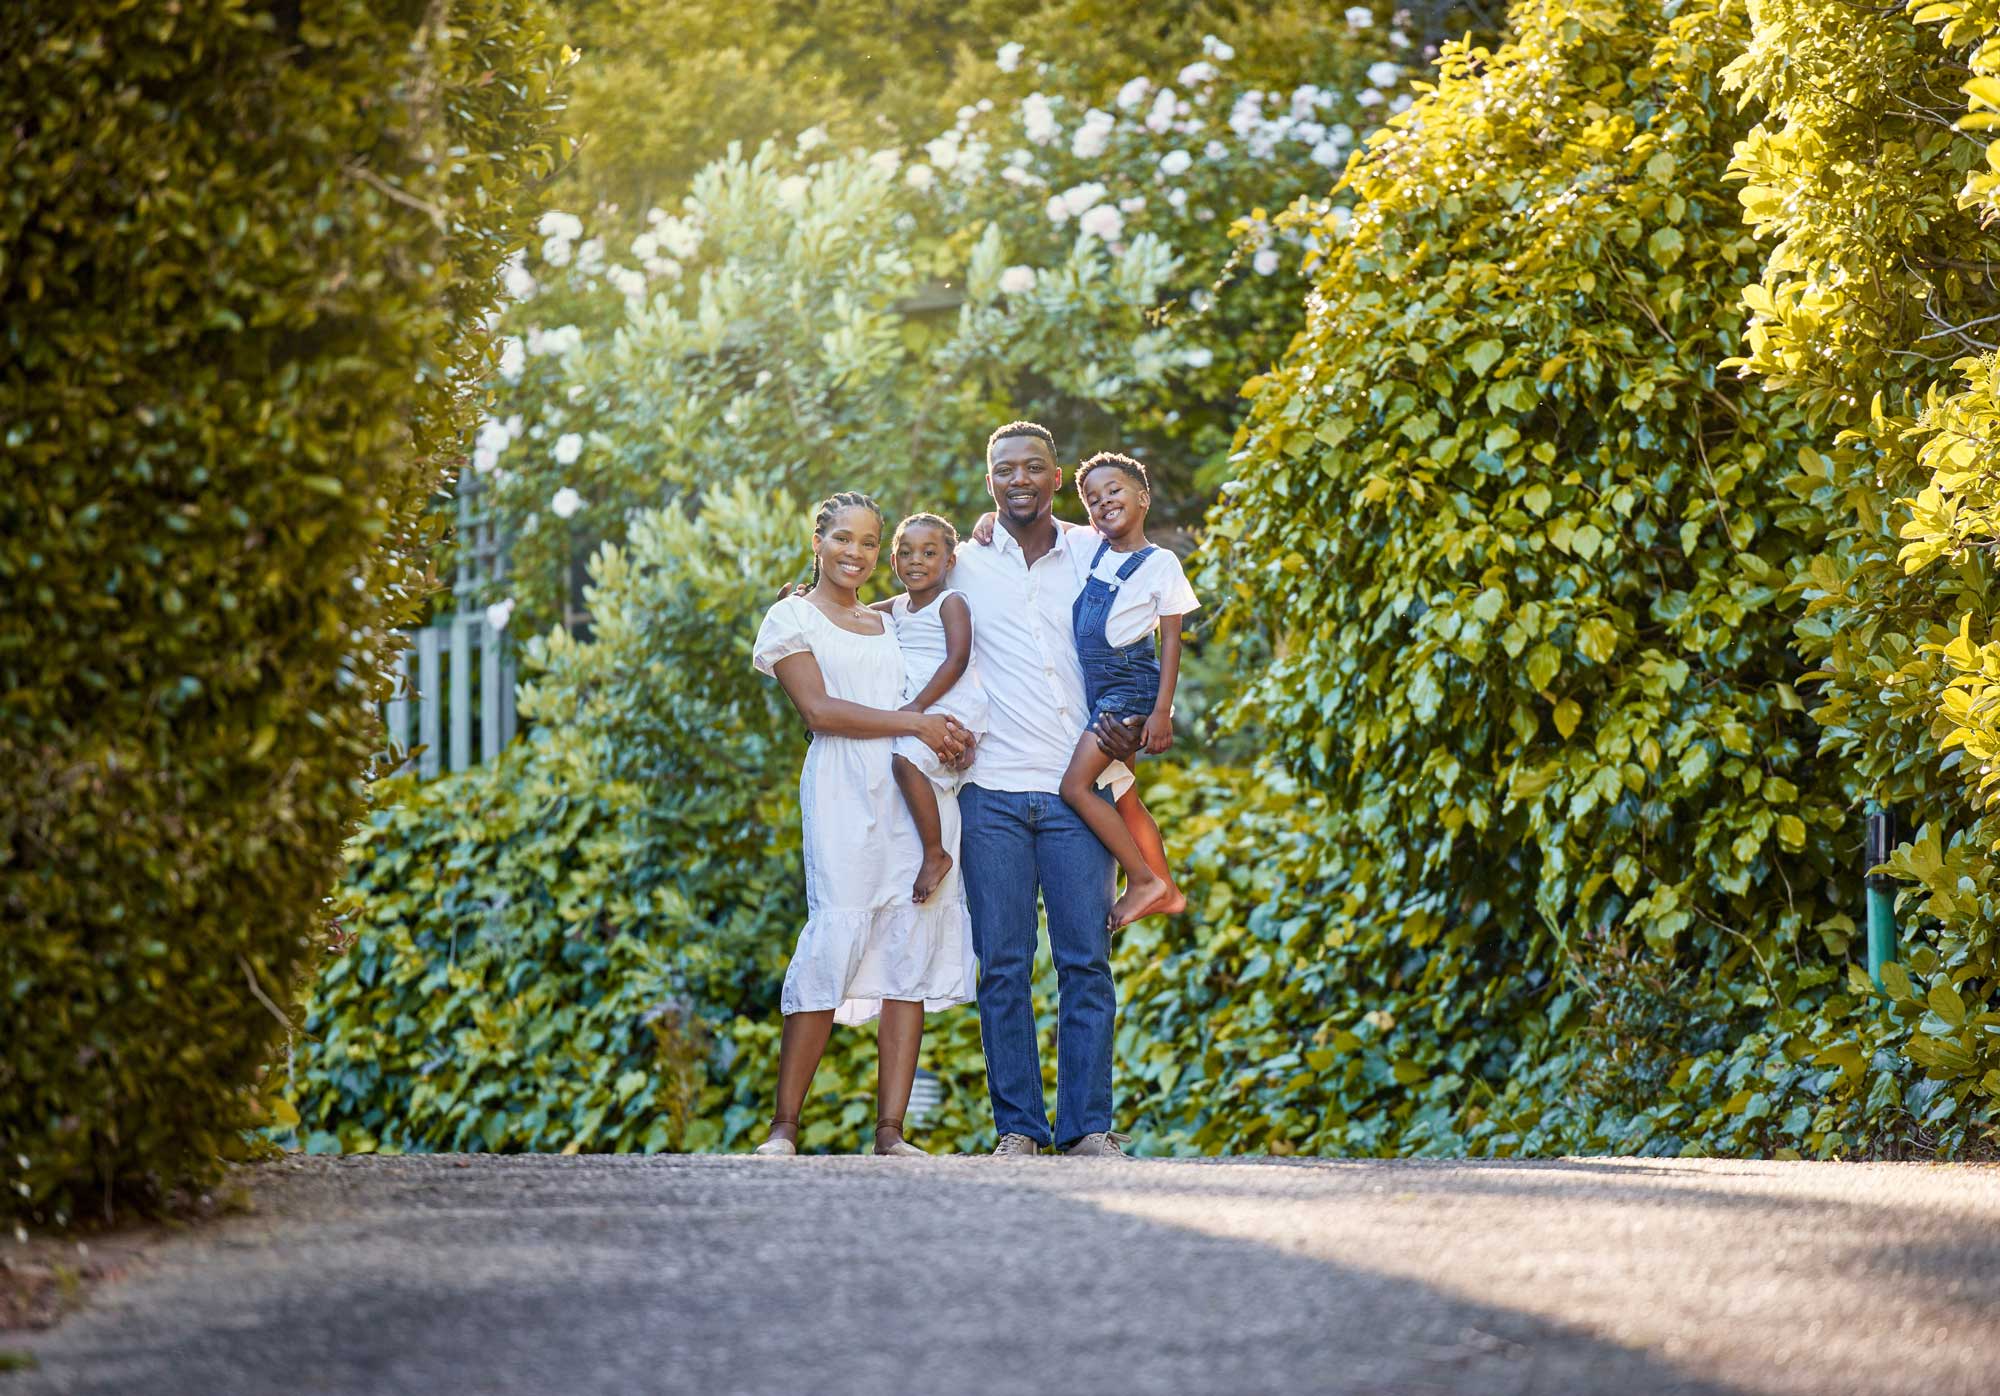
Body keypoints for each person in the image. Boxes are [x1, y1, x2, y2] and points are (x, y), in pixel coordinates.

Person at [748, 491, 978, 1158]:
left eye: (869, 543)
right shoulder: (791, 617)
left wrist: (946, 737)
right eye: (843, 539)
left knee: (909, 947)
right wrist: (917, 724)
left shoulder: (888, 620)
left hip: (915, 794)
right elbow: (819, 711)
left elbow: (935, 650)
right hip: (845, 789)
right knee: (834, 935)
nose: (857, 553)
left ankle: (890, 1134)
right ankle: (783, 1128)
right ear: (817, 540)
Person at [951, 421, 1147, 1159]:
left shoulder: (1096, 553)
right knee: (1002, 966)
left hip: (1076, 789)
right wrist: (815, 609)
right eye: (1007, 470)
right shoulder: (963, 563)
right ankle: (1019, 1131)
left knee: (1084, 963)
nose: (1020, 480)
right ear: (990, 481)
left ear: (1058, 477)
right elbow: (901, 618)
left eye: (1035, 467)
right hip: (991, 792)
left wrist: (1136, 715)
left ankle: (1088, 1128)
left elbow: (1145, 625)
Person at [1054, 452, 1198, 929]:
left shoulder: (1160, 563)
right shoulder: (1088, 547)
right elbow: (1040, 522)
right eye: (1092, 499)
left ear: (1143, 496)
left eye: (1113, 491)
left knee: (1075, 787)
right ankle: (1168, 891)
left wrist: (1162, 713)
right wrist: (992, 518)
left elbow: (1171, 640)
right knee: (1123, 796)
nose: (1103, 502)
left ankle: (1142, 879)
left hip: (1129, 691)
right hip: (1100, 693)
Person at [868, 513, 990, 906]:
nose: (916, 560)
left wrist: (918, 708)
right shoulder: (898, 606)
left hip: (950, 702)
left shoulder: (950, 602)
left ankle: (935, 853)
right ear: (893, 562)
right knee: (900, 763)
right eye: (906, 552)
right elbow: (853, 614)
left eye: (929, 552)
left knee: (905, 762)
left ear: (949, 562)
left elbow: (957, 659)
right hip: (920, 708)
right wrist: (805, 605)